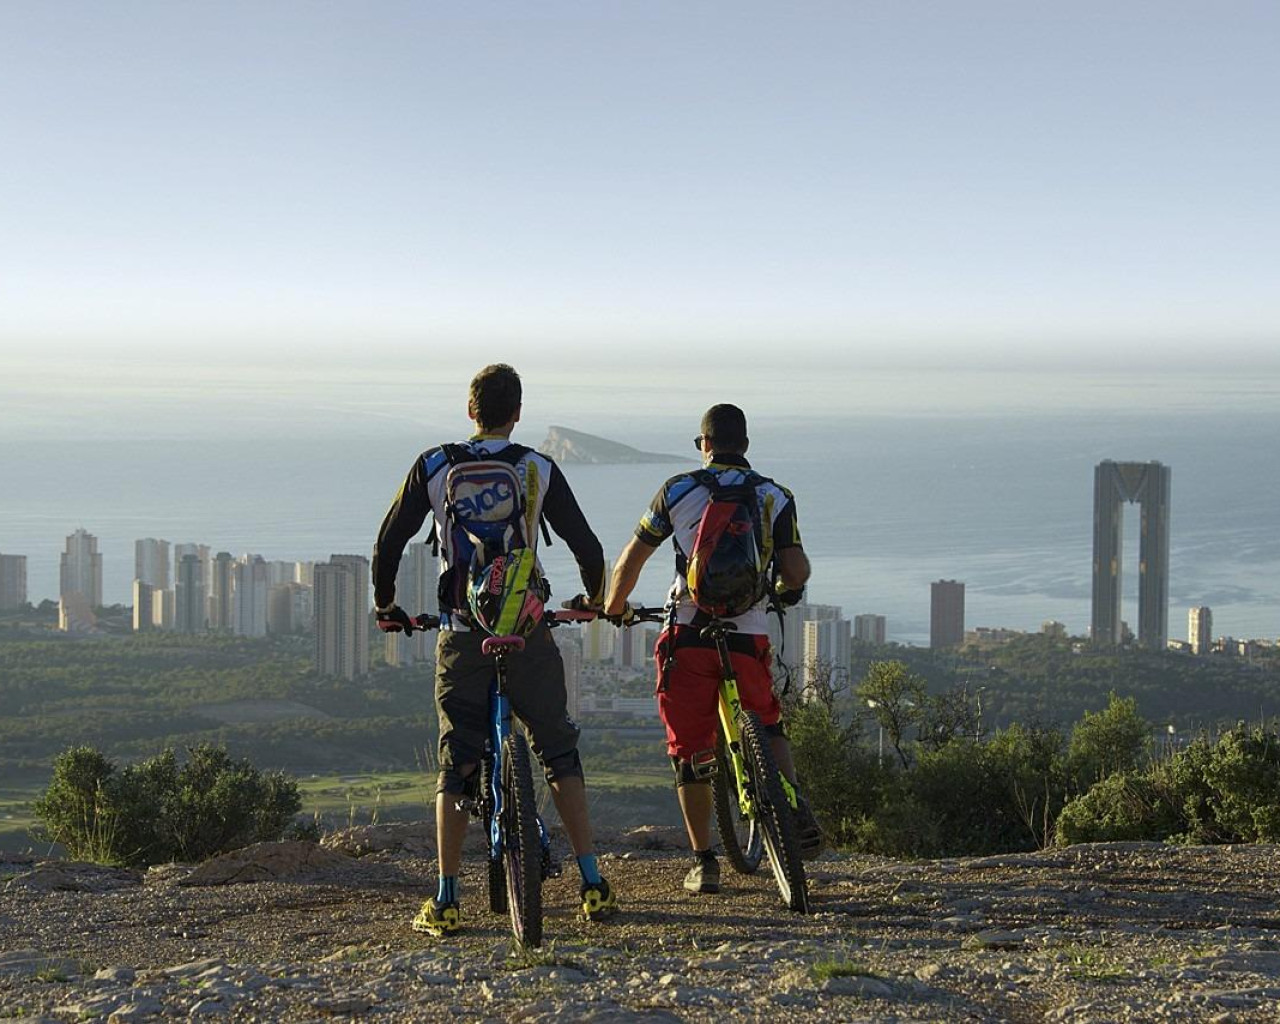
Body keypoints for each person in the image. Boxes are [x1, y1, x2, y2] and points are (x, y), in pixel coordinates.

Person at [372, 363, 616, 934]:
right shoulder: (536, 466)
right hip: (526, 631)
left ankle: (446, 898)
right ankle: (592, 882)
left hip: (462, 632)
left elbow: (387, 544)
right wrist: (593, 598)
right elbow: (588, 546)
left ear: (470, 411)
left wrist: (386, 605)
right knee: (558, 751)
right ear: (518, 413)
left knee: (456, 762)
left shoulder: (435, 465)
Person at [603, 403, 822, 894]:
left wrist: (615, 607)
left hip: (688, 632)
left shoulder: (678, 490)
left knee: (690, 750)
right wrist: (786, 592)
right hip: (748, 633)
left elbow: (630, 561)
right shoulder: (774, 495)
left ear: (703, 445)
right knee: (768, 720)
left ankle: (704, 861)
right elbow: (796, 569)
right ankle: (790, 802)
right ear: (745, 445)